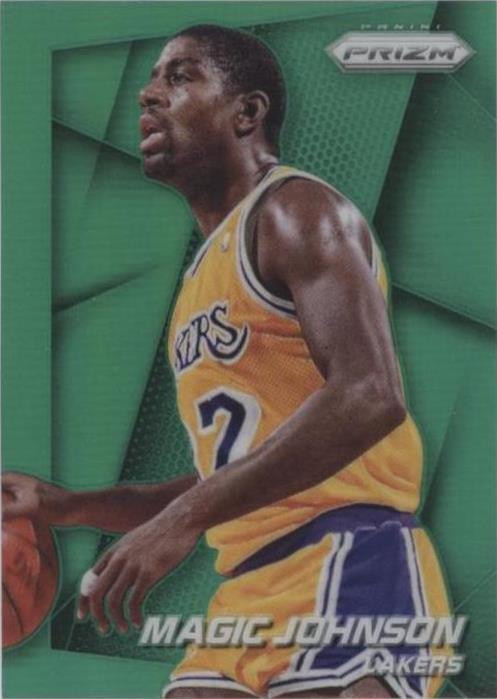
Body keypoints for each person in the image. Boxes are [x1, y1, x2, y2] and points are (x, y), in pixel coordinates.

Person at [3, 24, 451, 699]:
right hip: (246, 593)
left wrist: (181, 521)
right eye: (151, 78)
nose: (148, 94)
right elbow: (228, 475)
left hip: (348, 557)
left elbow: (369, 394)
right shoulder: (197, 288)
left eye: (179, 76)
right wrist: (70, 505)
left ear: (247, 113)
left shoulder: (296, 209)